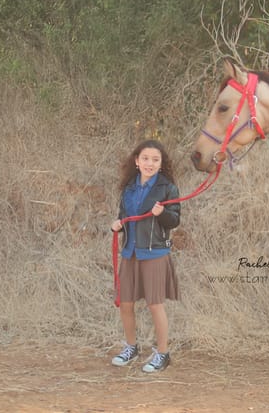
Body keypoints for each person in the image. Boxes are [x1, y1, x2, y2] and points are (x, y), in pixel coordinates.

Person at [110, 139, 181, 373]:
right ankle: (131, 347)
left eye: (155, 159)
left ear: (161, 164)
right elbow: (124, 214)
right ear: (137, 161)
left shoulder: (167, 188)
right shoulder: (129, 187)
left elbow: (174, 220)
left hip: (154, 253)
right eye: (146, 159)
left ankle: (163, 354)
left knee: (154, 304)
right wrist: (118, 225)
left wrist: (161, 214)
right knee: (126, 303)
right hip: (130, 251)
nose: (150, 163)